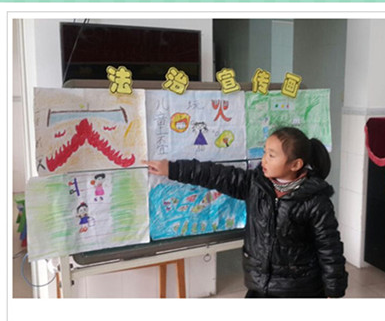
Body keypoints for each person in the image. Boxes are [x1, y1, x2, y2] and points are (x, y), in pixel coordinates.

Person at [144, 126, 348, 298]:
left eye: (272, 155)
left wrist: (334, 290)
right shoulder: (255, 185)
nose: (264, 160)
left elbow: (329, 248)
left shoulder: (315, 201)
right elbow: (215, 175)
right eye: (265, 152)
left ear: (295, 164)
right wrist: (172, 169)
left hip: (299, 290)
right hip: (259, 285)